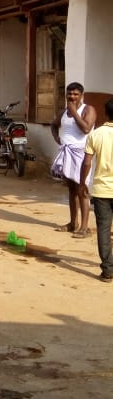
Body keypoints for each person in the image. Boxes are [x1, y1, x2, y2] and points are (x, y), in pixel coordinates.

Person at [51, 82, 96, 237]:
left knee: (82, 189)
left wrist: (74, 112)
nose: (72, 97)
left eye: (76, 94)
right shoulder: (63, 112)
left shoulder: (88, 110)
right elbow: (54, 125)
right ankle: (72, 223)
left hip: (82, 155)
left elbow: (85, 129)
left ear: (81, 95)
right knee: (71, 189)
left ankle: (84, 227)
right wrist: (58, 138)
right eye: (69, 94)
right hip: (66, 154)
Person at [79, 97, 113, 282]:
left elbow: (87, 162)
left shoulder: (96, 135)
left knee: (103, 229)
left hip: (101, 190)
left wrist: (82, 182)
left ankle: (108, 270)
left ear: (105, 113)